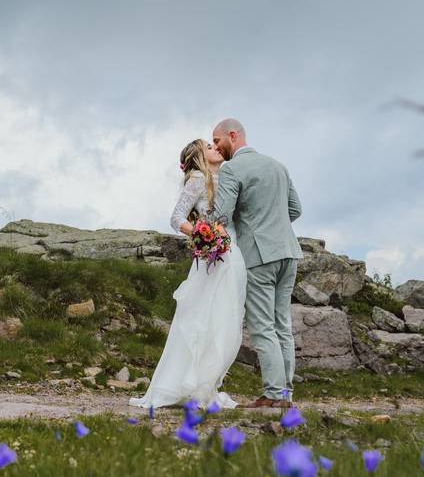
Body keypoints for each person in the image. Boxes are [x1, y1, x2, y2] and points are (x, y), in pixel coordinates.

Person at [129, 138, 247, 410]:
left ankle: (204, 386)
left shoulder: (224, 176)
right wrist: (203, 234)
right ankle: (184, 383)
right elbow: (176, 217)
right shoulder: (197, 178)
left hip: (232, 252)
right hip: (214, 256)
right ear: (198, 157)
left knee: (224, 319)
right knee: (202, 319)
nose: (215, 148)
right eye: (209, 147)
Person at [212, 118, 304, 409]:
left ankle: (274, 394)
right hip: (289, 251)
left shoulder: (232, 169)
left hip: (259, 255)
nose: (216, 147)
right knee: (282, 325)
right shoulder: (278, 165)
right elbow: (296, 209)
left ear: (233, 135)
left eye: (217, 141)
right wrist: (273, 224)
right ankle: (286, 394)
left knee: (263, 326)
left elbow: (222, 215)